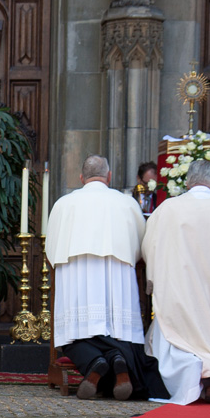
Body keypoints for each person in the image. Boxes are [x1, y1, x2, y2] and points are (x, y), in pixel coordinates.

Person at [46, 154, 165, 401]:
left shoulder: (64, 204)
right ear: (109, 177)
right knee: (117, 330)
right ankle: (117, 358)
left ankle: (96, 362)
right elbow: (140, 247)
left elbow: (52, 250)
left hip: (75, 276)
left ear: (81, 177)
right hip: (116, 276)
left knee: (76, 331)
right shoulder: (127, 203)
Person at [143, 160, 210, 405]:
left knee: (178, 334)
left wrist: (155, 279)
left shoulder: (167, 208)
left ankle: (196, 374)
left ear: (187, 182)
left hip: (179, 291)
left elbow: (149, 247)